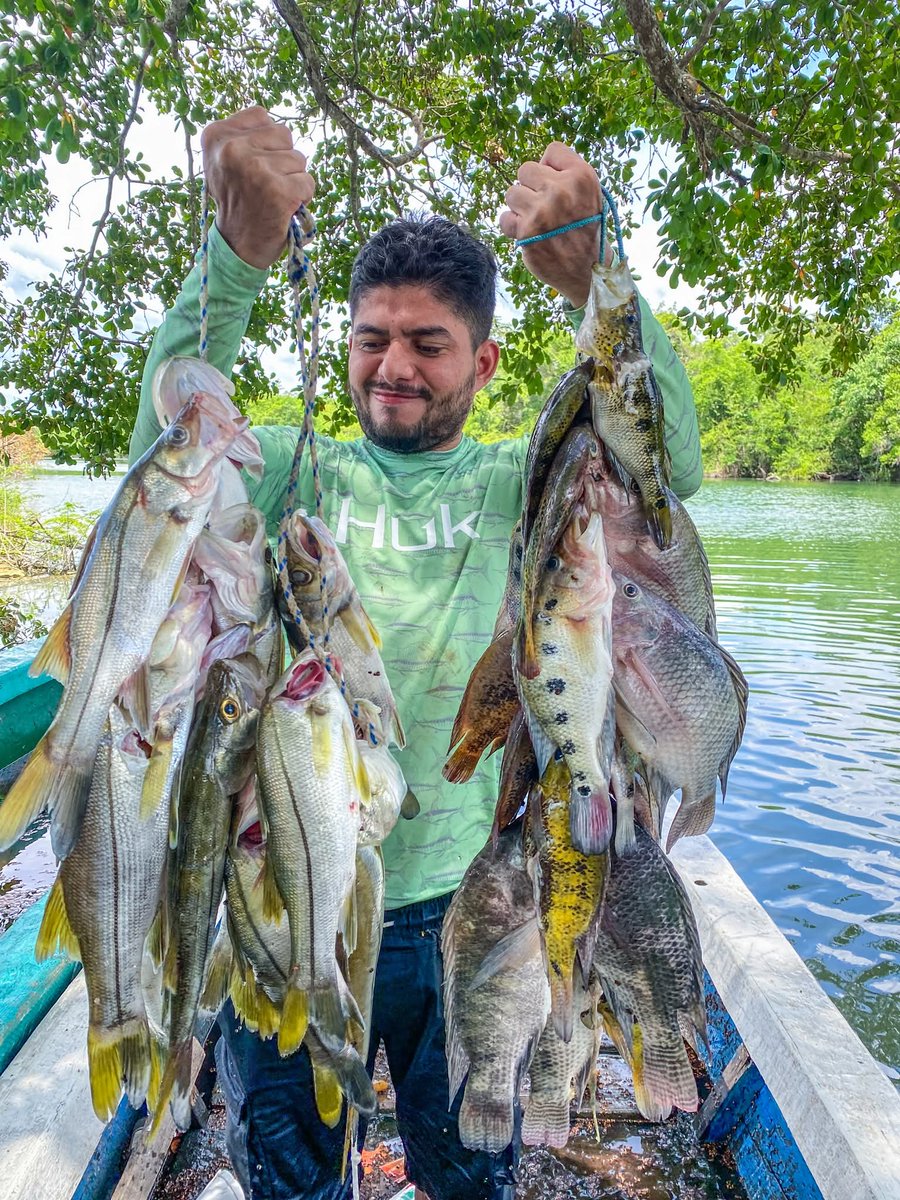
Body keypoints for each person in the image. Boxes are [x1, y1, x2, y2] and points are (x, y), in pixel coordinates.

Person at [130, 107, 702, 1200]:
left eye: (427, 344)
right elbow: (162, 464)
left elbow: (668, 471)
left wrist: (599, 286)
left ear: (484, 361)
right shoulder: (297, 475)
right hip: (292, 892)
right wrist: (236, 260)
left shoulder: (523, 489)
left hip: (476, 901)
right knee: (290, 1173)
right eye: (370, 338)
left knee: (470, 1167)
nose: (391, 366)